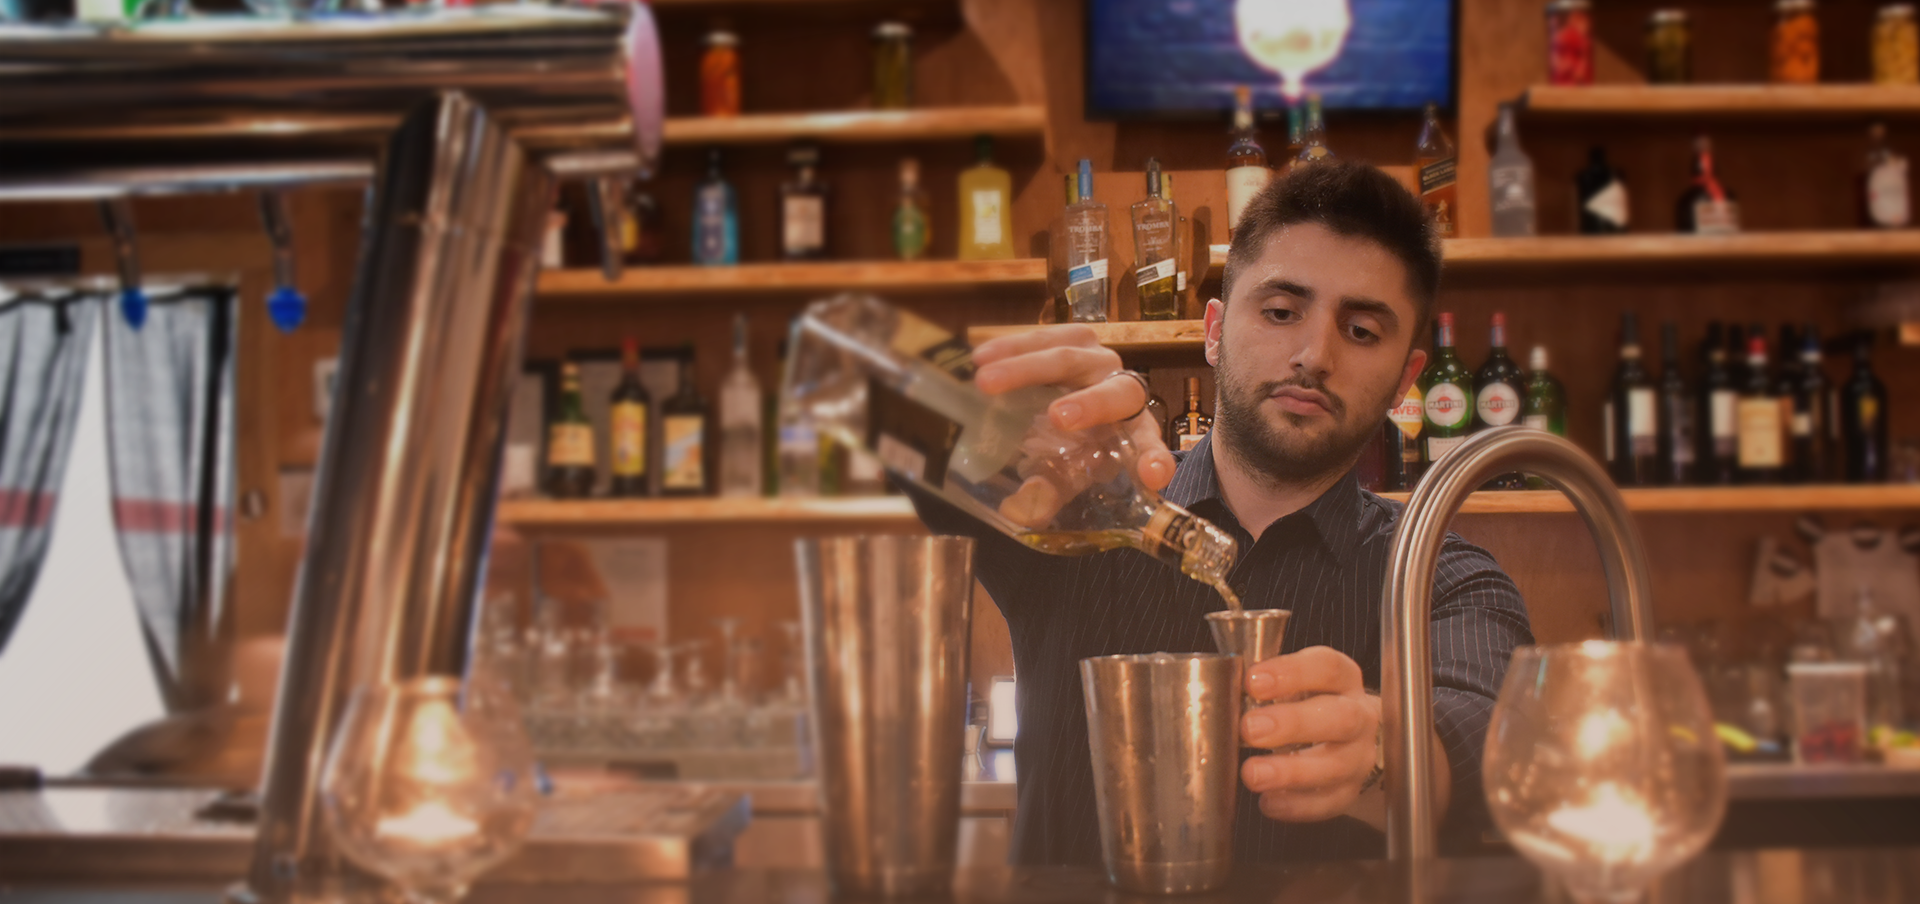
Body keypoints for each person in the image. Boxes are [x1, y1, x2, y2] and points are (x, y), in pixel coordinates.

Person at [909, 160, 1534, 863]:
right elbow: (880, 412)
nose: (1313, 354)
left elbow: (1490, 736)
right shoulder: (1080, 514)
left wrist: (1383, 748)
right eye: (1280, 311)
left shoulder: (1442, 575)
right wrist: (982, 398)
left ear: (1404, 381)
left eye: (1361, 331)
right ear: (1214, 330)